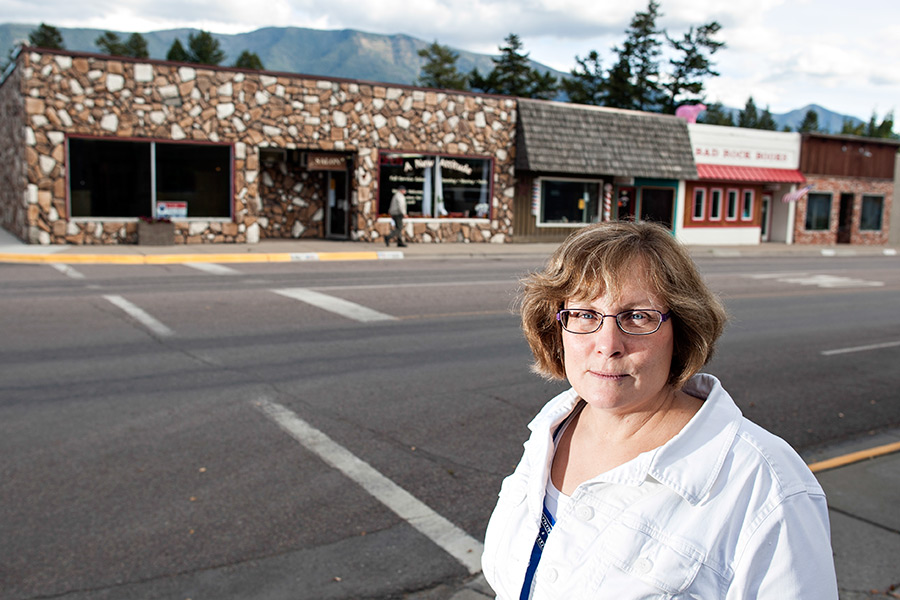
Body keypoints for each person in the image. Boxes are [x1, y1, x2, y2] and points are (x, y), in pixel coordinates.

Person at [482, 221, 838, 599]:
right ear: (558, 326)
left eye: (638, 316)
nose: (608, 345)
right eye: (585, 314)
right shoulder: (550, 428)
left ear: (682, 329)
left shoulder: (764, 484)